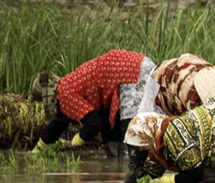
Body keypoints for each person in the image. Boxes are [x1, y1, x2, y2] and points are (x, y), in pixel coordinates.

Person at [111, 61, 215, 183]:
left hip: (197, 141)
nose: (143, 150)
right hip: (170, 104)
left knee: (206, 171)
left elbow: (197, 170)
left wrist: (164, 182)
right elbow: (153, 170)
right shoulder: (161, 137)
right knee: (197, 170)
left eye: (143, 146)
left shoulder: (176, 132)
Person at [29, 49, 157, 156]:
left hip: (132, 72)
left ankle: (139, 170)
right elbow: (57, 125)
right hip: (137, 65)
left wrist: (74, 142)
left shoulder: (63, 95)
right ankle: (118, 167)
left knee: (132, 126)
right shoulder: (66, 88)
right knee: (114, 126)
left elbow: (94, 124)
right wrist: (38, 150)